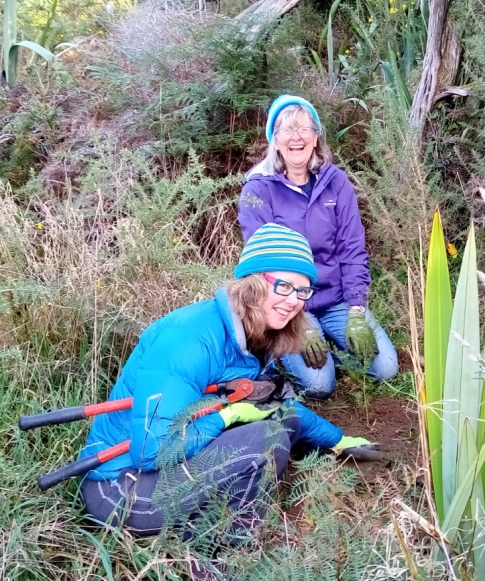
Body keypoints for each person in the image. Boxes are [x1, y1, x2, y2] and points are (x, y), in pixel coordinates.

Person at [80, 223, 366, 549]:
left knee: (279, 423)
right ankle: (222, 551)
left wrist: (339, 440)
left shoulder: (251, 335)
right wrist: (227, 417)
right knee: (262, 439)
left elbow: (277, 409)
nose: (294, 301)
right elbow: (151, 451)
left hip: (163, 472)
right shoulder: (188, 340)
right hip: (121, 491)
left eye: (303, 291)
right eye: (284, 286)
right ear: (253, 284)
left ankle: (219, 529)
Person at [238, 95, 399, 400]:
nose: (296, 137)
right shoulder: (256, 190)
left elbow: (352, 249)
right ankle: (281, 356)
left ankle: (326, 349)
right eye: (286, 130)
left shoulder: (336, 182)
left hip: (335, 298)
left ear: (316, 137)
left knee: (386, 368)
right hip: (289, 301)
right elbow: (263, 261)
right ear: (275, 139)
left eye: (304, 129)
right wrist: (298, 320)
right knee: (318, 386)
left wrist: (355, 310)